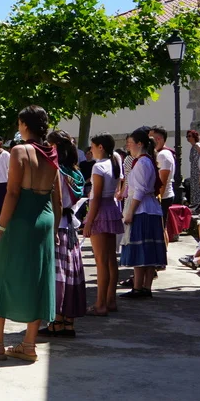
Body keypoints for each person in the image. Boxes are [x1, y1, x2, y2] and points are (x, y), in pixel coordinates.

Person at [0, 106, 60, 362]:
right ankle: (28, 344)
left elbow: (13, 192)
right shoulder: (52, 153)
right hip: (45, 218)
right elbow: (58, 197)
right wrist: (55, 230)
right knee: (38, 278)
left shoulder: (20, 150)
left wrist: (0, 229)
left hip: (21, 219)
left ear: (24, 125)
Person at [45, 130, 86, 337]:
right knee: (71, 274)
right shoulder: (76, 173)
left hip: (58, 225)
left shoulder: (56, 171)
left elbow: (57, 202)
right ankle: (69, 323)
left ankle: (56, 321)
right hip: (71, 226)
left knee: (58, 275)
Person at [119, 127, 167, 298]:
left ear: (139, 144)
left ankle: (139, 287)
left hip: (143, 211)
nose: (128, 146)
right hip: (149, 210)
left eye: (130, 143)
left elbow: (139, 191)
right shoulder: (144, 161)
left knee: (141, 249)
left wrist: (130, 212)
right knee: (148, 249)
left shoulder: (142, 163)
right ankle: (145, 287)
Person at [84, 134, 125, 316]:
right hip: (112, 210)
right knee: (110, 259)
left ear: (100, 147)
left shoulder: (99, 166)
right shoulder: (113, 163)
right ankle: (110, 300)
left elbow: (97, 197)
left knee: (101, 261)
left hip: (101, 212)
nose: (91, 150)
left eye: (92, 146)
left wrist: (89, 221)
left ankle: (100, 304)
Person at [150, 126, 176, 214]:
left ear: (158, 139)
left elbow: (162, 181)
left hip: (163, 198)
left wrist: (157, 200)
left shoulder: (163, 155)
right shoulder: (162, 153)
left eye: (151, 139)